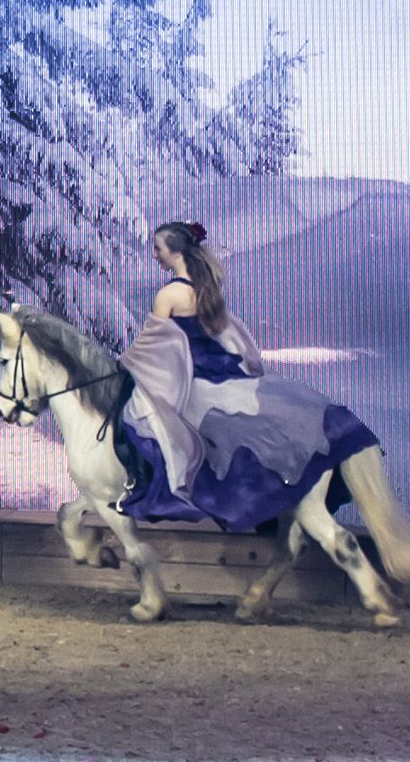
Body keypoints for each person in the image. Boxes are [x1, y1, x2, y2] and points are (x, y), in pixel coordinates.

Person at [114, 220, 383, 532]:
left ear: (174, 252)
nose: (155, 255)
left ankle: (144, 487)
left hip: (196, 375)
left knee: (140, 413)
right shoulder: (207, 288)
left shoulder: (170, 293)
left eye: (158, 249)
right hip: (222, 367)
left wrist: (125, 363)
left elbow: (152, 346)